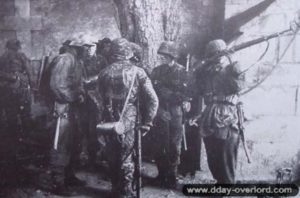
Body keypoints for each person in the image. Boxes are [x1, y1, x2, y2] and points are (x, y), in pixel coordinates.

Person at [97, 38, 158, 198]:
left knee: (112, 155)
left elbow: (98, 99)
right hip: (129, 119)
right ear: (128, 53)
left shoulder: (103, 73)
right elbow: (153, 99)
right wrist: (148, 122)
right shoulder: (138, 72)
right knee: (127, 156)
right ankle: (125, 193)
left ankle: (115, 189)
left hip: (108, 120)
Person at [195, 39, 245, 184]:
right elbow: (198, 85)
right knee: (212, 152)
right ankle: (220, 183)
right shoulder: (207, 71)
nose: (215, 58)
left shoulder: (232, 69)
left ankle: (227, 187)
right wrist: (207, 64)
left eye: (217, 54)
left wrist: (231, 61)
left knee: (226, 153)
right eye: (212, 55)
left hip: (227, 113)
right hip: (210, 113)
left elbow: (238, 87)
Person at [46, 40, 86, 194]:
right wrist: (74, 96)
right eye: (83, 47)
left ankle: (69, 175)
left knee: (74, 142)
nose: (86, 50)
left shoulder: (76, 61)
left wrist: (80, 93)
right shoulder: (65, 59)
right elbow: (57, 85)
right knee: (60, 143)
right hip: (61, 107)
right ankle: (57, 182)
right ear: (76, 48)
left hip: (73, 107)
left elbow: (77, 83)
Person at [150, 41, 191, 188]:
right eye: (162, 56)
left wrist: (170, 95)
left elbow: (186, 94)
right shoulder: (156, 71)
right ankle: (161, 174)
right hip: (160, 110)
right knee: (159, 144)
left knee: (174, 144)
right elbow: (151, 91)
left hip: (175, 111)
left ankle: (172, 176)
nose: (163, 58)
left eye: (166, 56)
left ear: (173, 56)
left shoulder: (182, 72)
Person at [0, 39, 32, 185]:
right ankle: (23, 140)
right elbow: (30, 72)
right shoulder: (21, 56)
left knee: (10, 117)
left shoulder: (2, 56)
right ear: (17, 46)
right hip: (19, 90)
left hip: (5, 91)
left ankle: (12, 137)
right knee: (25, 117)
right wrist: (33, 85)